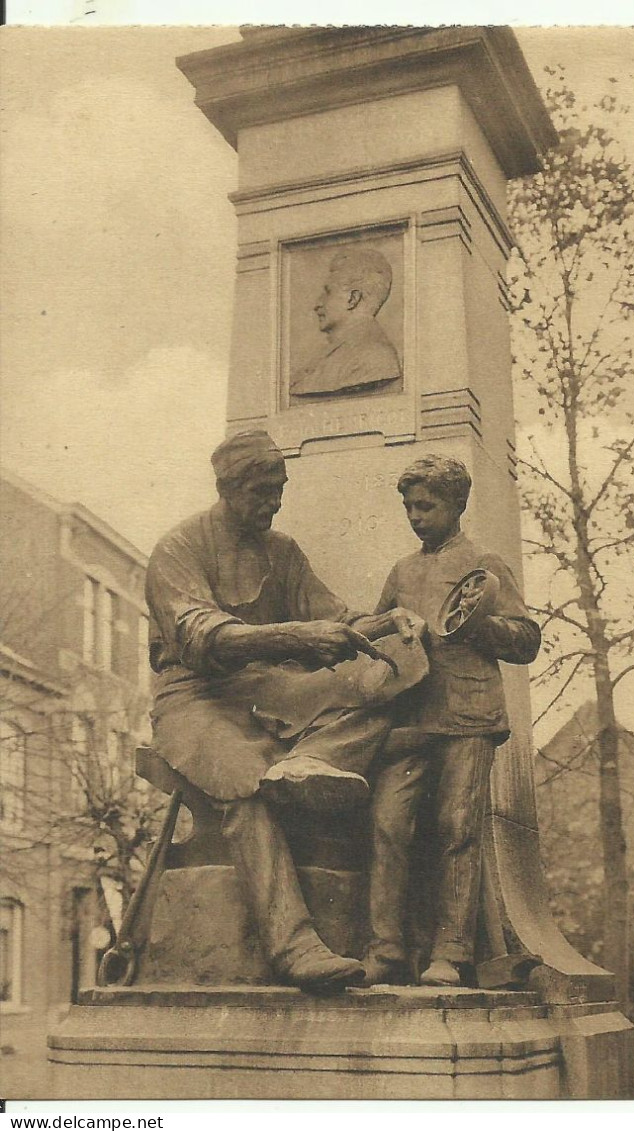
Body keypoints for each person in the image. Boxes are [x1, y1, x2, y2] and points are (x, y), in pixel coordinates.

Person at [145, 430, 426, 990]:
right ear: (228, 488)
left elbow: (339, 622)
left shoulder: (283, 551)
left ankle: (311, 762)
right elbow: (206, 639)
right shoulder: (178, 549)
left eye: (280, 490)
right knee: (245, 782)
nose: (274, 503)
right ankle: (294, 948)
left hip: (265, 689)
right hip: (194, 697)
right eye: (262, 492)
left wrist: (391, 621)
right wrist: (297, 637)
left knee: (378, 687)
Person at [363, 455, 541, 987]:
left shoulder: (484, 565)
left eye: (426, 505)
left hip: (468, 715)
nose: (416, 516)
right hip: (410, 716)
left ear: (457, 504)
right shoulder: (403, 570)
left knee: (455, 829)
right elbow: (369, 631)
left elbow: (527, 639)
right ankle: (386, 949)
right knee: (387, 824)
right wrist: (389, 624)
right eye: (409, 507)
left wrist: (478, 627)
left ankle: (452, 953)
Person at [290, 247, 402, 399]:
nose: (317, 304)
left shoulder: (375, 358)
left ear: (353, 299)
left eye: (328, 292)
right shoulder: (340, 351)